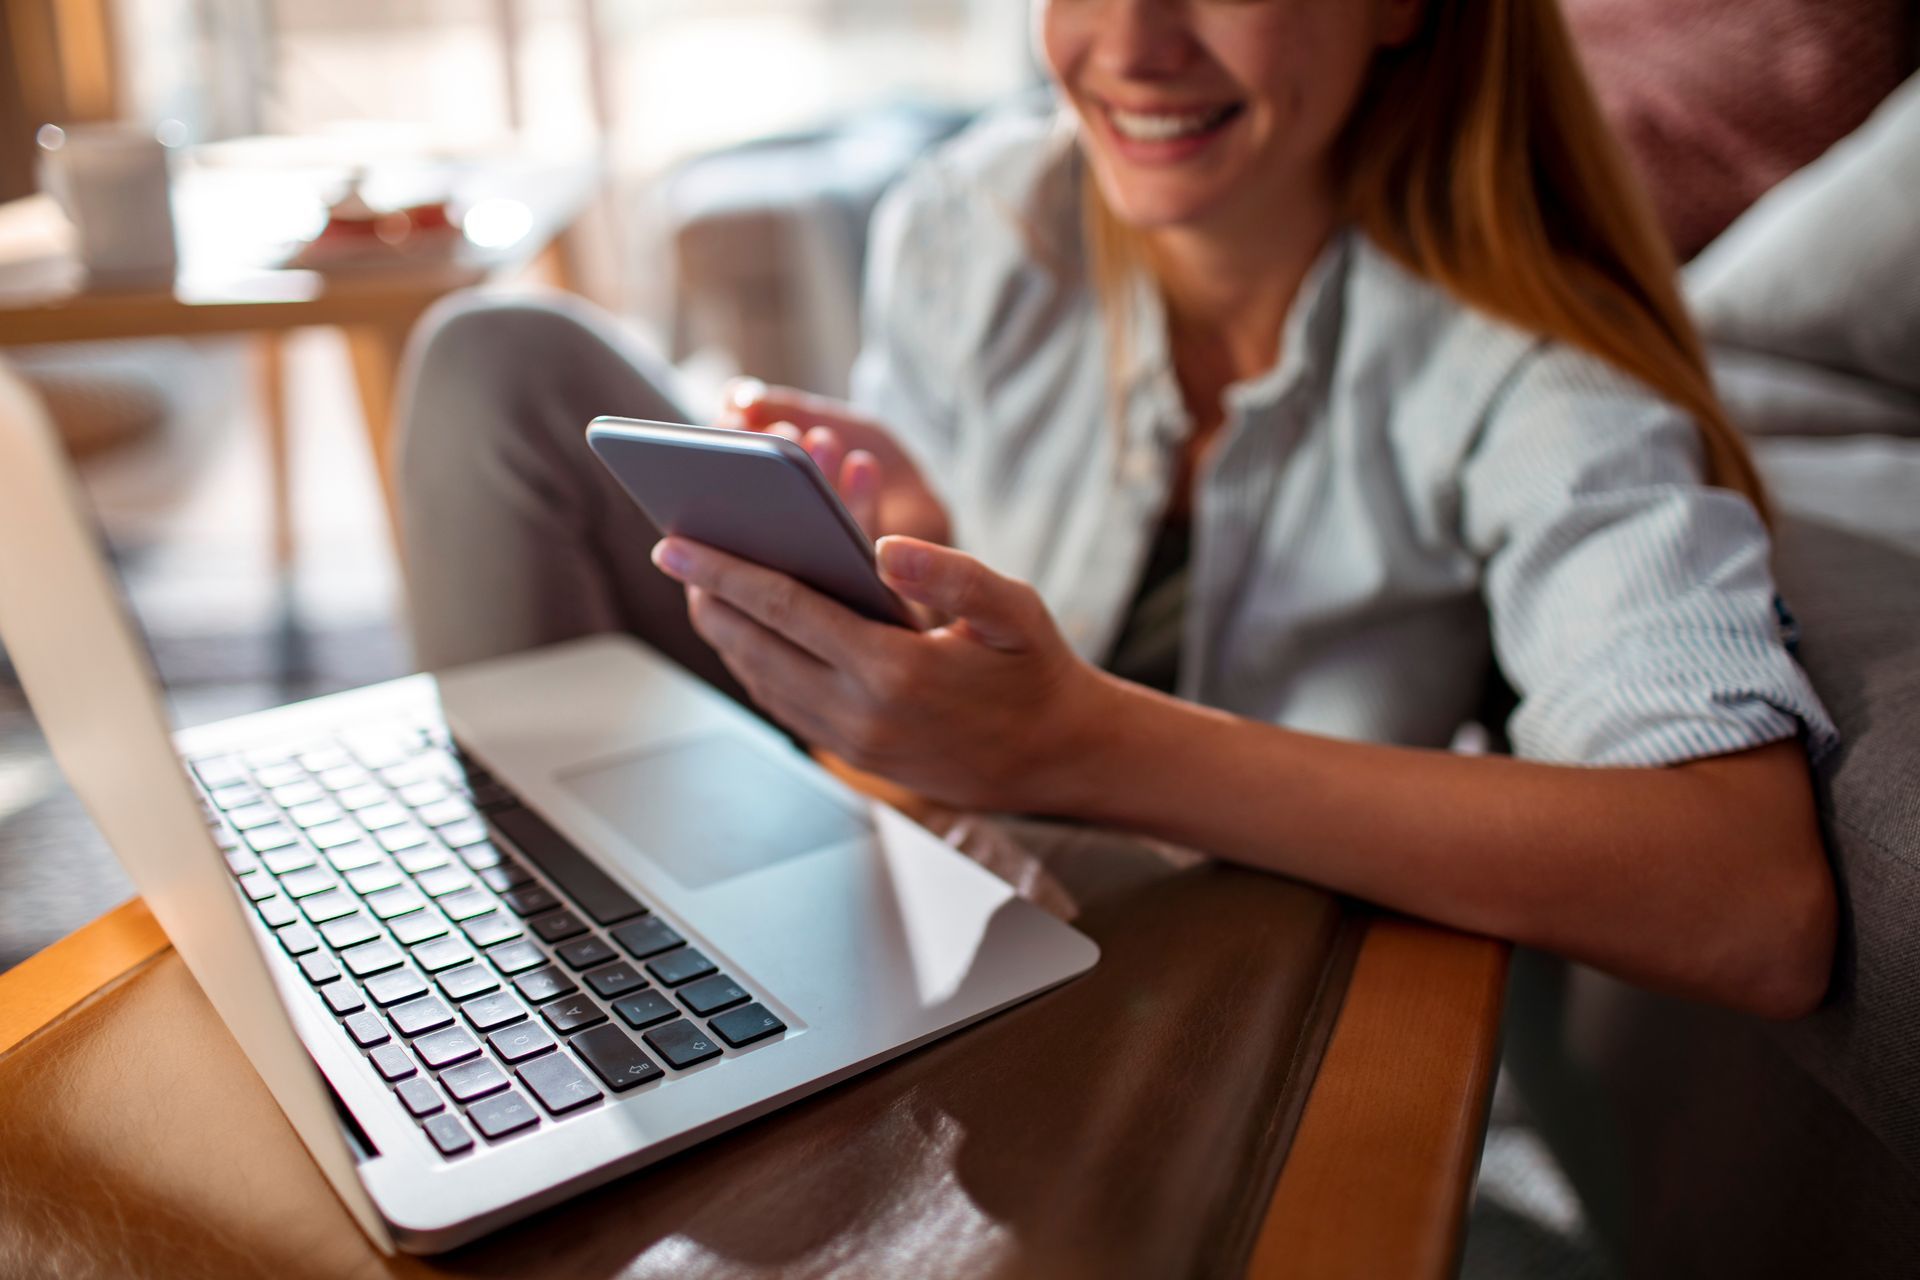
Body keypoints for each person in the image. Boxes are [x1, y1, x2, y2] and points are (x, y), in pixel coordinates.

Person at [398, 0, 1839, 1019]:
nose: (1133, 44)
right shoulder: (974, 217)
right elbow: (957, 689)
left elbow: (1756, 904)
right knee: (497, 359)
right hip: (918, 878)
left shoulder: (1533, 373)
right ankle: (544, 1020)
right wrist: (914, 547)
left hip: (1194, 972)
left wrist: (1085, 741)